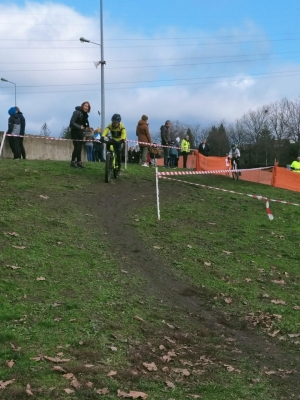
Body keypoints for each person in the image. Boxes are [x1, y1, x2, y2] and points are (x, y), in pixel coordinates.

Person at [69, 101, 92, 168]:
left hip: (81, 132)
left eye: (87, 106)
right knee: (77, 146)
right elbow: (72, 122)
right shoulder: (77, 112)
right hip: (74, 131)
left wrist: (84, 135)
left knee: (80, 147)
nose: (86, 107)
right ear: (82, 106)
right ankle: (73, 162)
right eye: (85, 106)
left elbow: (85, 127)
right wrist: (79, 127)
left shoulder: (85, 116)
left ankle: (79, 162)